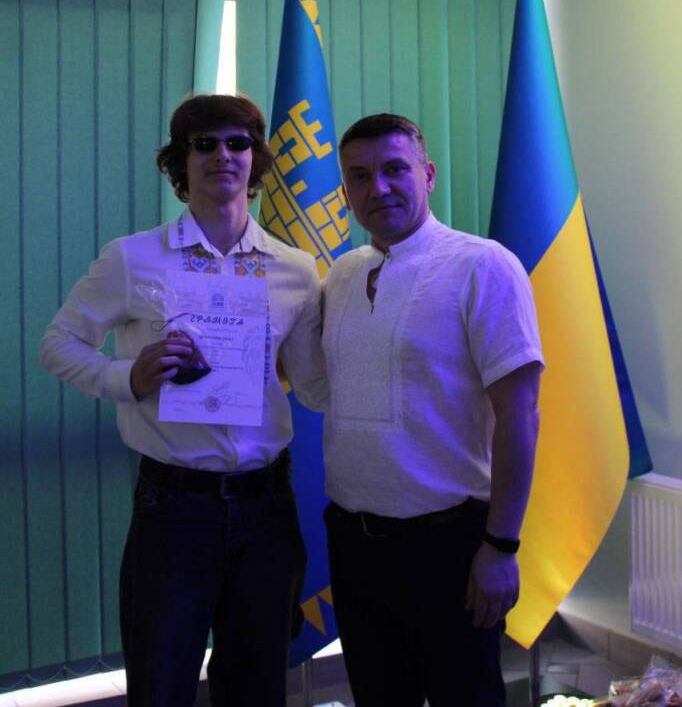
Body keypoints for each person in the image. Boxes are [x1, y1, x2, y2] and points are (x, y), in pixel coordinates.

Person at [40, 93, 326, 707]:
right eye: (205, 144)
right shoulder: (132, 258)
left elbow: (315, 384)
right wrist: (129, 378)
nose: (223, 155)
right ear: (180, 161)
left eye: (237, 143)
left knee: (256, 687)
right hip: (174, 507)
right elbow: (58, 345)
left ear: (255, 159)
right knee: (162, 685)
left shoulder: (296, 270)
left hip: (266, 506)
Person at [321, 113, 543, 707]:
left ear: (428, 175)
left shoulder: (482, 266)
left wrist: (502, 546)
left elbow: (520, 414)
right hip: (355, 543)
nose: (378, 188)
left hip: (450, 547)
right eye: (360, 176)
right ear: (345, 190)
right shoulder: (342, 276)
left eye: (395, 169)